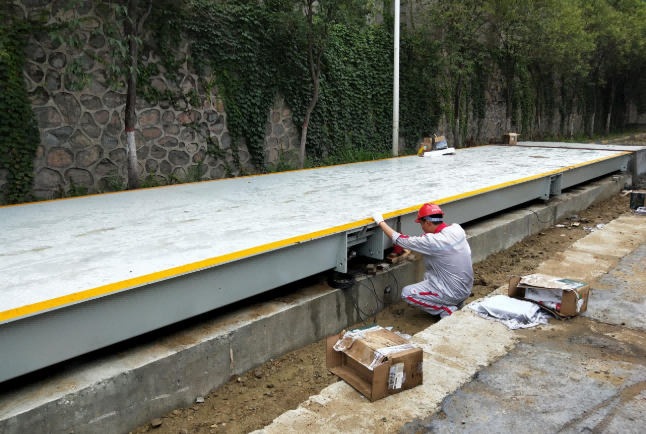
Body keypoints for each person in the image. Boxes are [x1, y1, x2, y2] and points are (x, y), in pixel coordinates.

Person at [372, 203, 474, 319]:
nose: (421, 227)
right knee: (428, 276)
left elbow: (399, 239)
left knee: (407, 293)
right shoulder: (456, 228)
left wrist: (380, 221)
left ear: (427, 222)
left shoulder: (432, 241)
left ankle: (448, 310)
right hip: (466, 288)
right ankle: (458, 302)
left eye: (421, 223)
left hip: (453, 292)